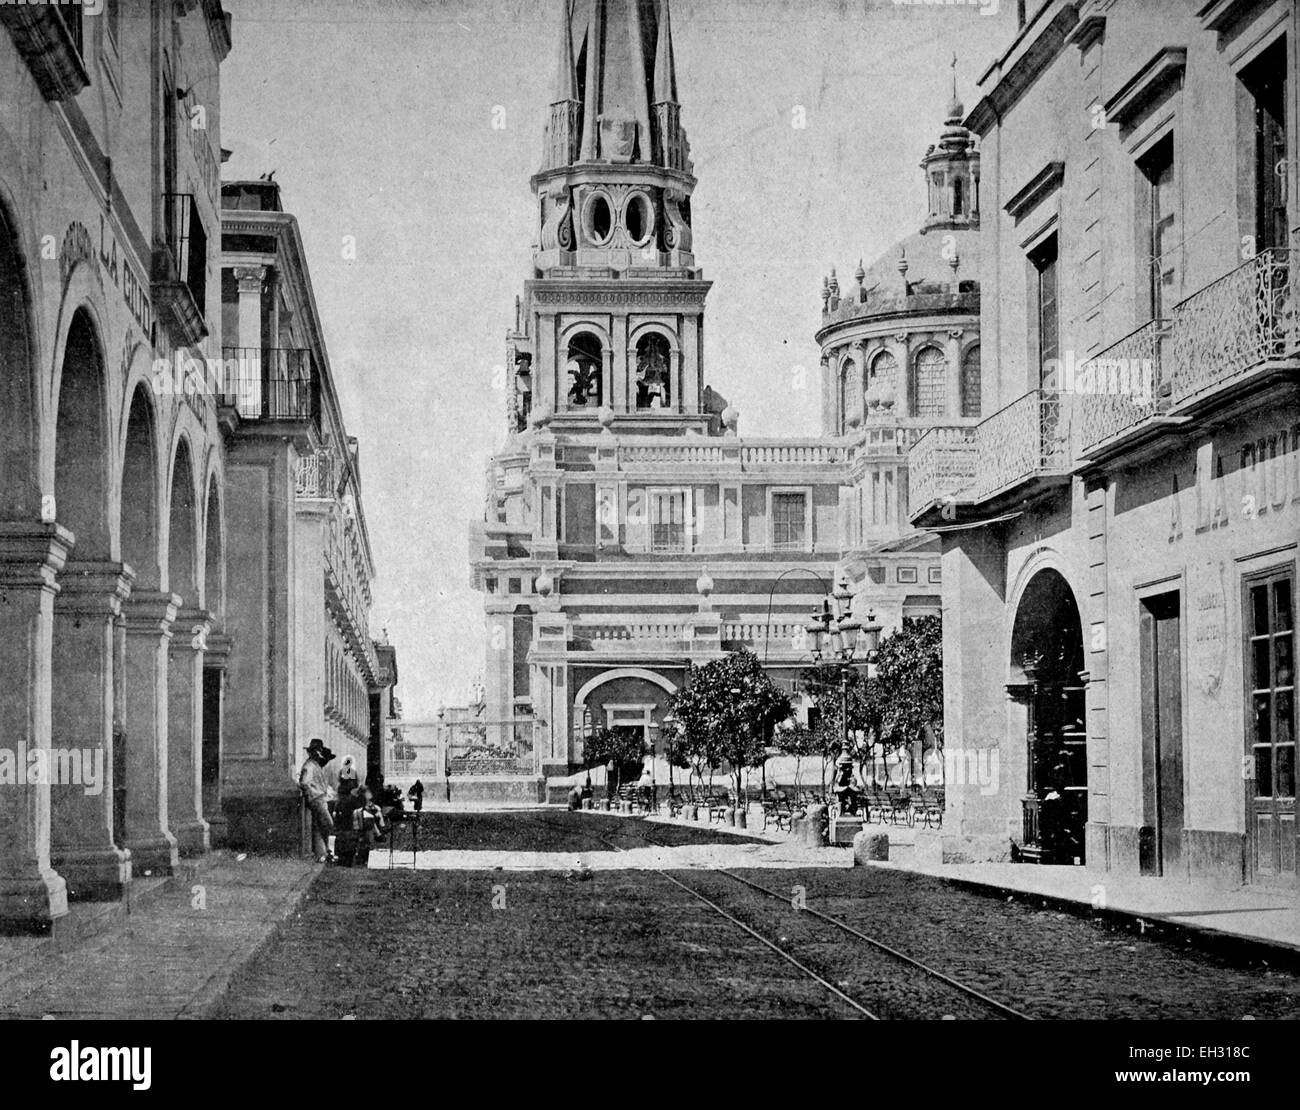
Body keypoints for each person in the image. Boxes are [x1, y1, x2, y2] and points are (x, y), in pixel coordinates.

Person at [299, 738, 336, 862]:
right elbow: (305, 783)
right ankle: (323, 852)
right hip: (317, 800)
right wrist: (313, 796)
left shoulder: (315, 765)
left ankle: (322, 853)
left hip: (320, 799)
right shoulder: (310, 766)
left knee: (320, 827)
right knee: (327, 824)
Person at [351, 786, 387, 867]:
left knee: (365, 839)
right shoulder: (372, 807)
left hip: (362, 826)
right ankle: (379, 834)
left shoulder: (372, 807)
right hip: (363, 825)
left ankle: (379, 834)